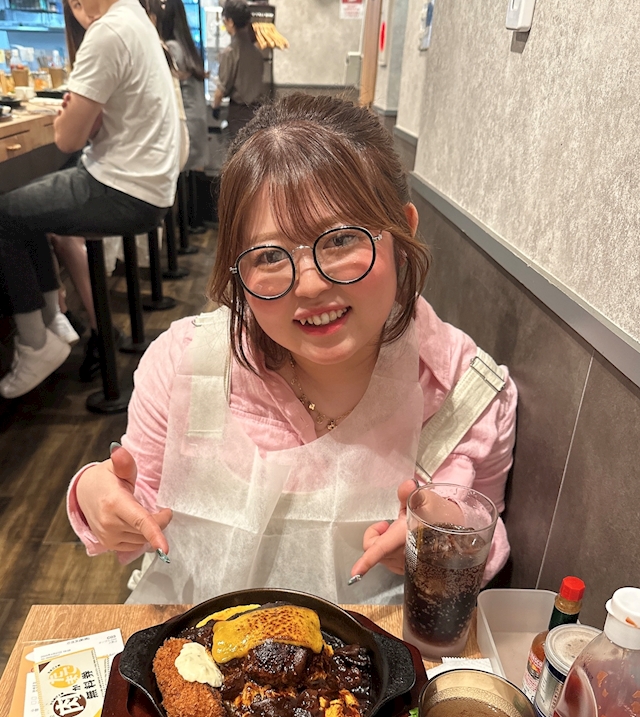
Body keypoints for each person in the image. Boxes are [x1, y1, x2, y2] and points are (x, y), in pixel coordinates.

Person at [67, 94, 518, 606]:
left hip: (376, 650)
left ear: (403, 231)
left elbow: (480, 548)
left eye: (341, 240)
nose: (309, 285)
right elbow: (137, 506)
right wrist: (95, 493)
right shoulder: (184, 363)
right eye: (268, 256)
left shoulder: (464, 392)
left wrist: (447, 543)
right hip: (200, 643)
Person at [0, 0, 180, 399]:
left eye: (75, 3)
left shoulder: (107, 31)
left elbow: (67, 138)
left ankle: (36, 341)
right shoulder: (135, 18)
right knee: (25, 209)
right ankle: (56, 323)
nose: (76, 11)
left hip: (122, 188)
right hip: (148, 186)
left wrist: (72, 117)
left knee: (5, 216)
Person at [212, 0, 264, 138]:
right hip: (258, 113)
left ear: (230, 21)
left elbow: (221, 90)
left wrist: (215, 107)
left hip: (238, 114)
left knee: (239, 149)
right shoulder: (257, 53)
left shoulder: (230, 53)